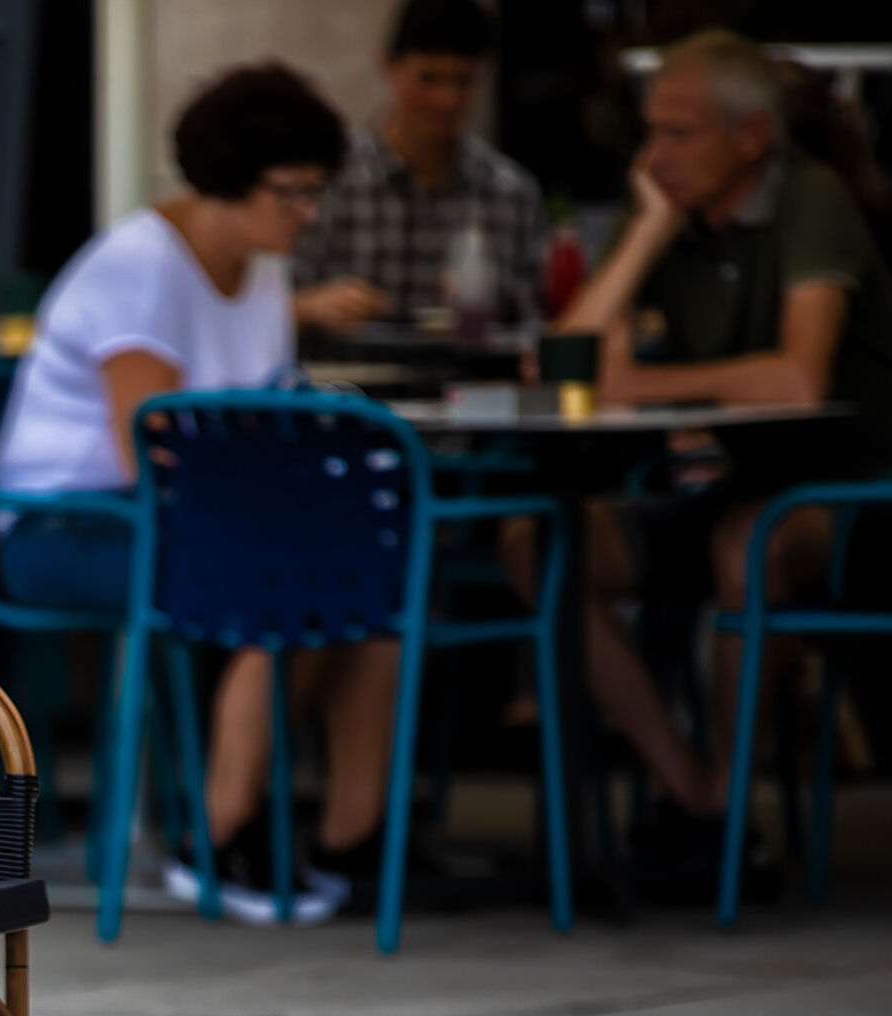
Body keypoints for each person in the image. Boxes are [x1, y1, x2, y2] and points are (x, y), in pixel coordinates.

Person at [496, 29, 892, 897]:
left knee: (744, 548)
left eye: (680, 133)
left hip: (855, 491)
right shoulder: (669, 210)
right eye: (650, 131)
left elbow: (796, 376)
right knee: (539, 545)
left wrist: (643, 386)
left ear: (750, 137)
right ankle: (697, 795)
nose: (657, 155)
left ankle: (728, 802)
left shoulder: (809, 198)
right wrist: (646, 234)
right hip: (737, 484)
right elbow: (559, 368)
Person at [0, 63, 385, 926]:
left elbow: (262, 418)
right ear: (227, 182)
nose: (308, 213)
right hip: (70, 524)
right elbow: (151, 446)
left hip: (188, 517)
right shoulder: (140, 267)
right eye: (291, 193)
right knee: (282, 580)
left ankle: (353, 839)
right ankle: (216, 832)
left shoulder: (263, 266)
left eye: (315, 192)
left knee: (370, 581)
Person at [293, 0, 547, 331]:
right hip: (346, 363)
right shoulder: (329, 179)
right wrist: (310, 307)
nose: (446, 100)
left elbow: (533, 326)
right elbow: (266, 305)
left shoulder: (510, 194)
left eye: (463, 81)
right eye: (429, 78)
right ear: (390, 66)